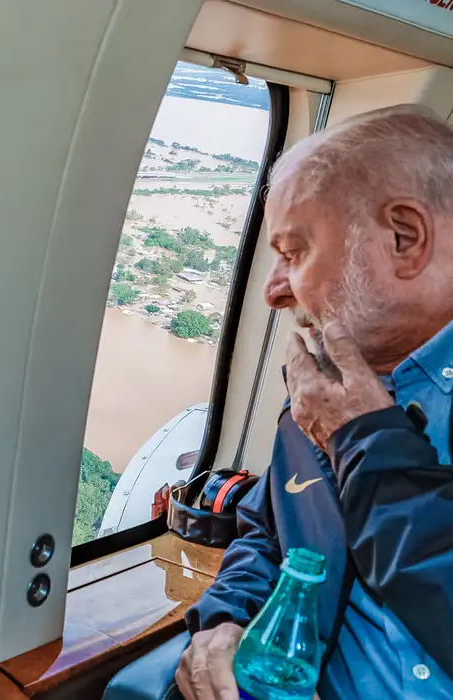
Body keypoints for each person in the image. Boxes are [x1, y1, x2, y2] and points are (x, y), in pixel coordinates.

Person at [175, 104, 453, 700]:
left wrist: (366, 440)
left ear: (405, 238)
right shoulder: (324, 394)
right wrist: (227, 619)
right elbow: (270, 533)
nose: (274, 290)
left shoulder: (342, 415)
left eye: (294, 252)